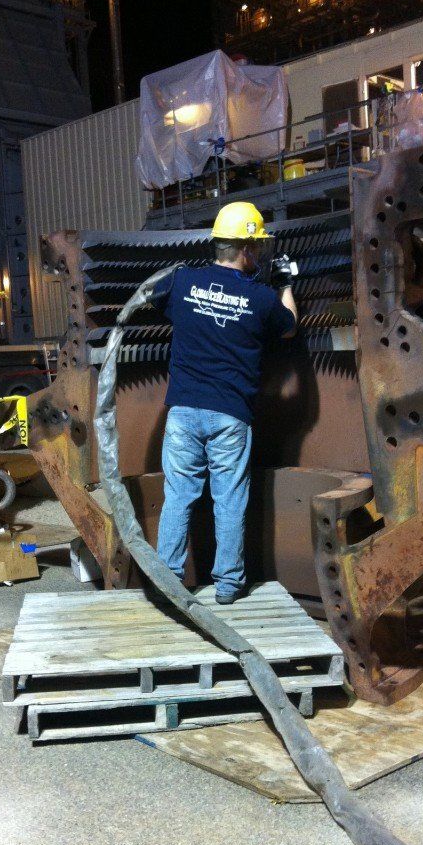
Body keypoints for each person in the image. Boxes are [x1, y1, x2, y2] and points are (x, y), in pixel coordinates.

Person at [151, 202, 298, 605]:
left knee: (178, 496)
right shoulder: (263, 298)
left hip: (182, 411)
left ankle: (169, 580)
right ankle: (229, 585)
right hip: (230, 415)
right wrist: (285, 283)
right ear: (248, 249)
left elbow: (153, 299)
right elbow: (289, 329)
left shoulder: (182, 282)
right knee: (229, 499)